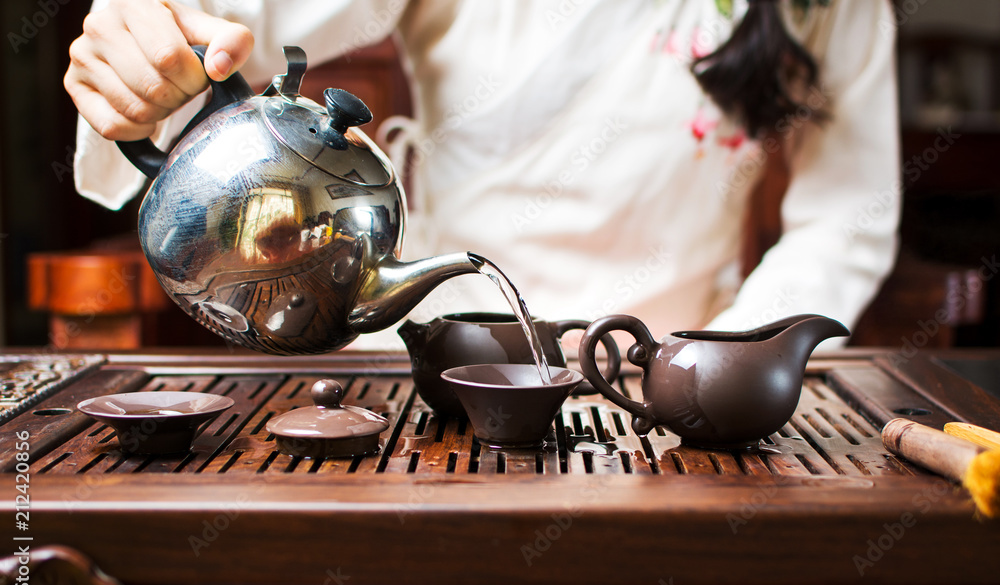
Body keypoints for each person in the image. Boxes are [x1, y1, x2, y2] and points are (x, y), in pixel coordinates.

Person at [64, 0, 900, 350]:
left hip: (676, 365)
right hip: (431, 352)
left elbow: (845, 217)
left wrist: (726, 360)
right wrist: (148, 45)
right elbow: (231, 24)